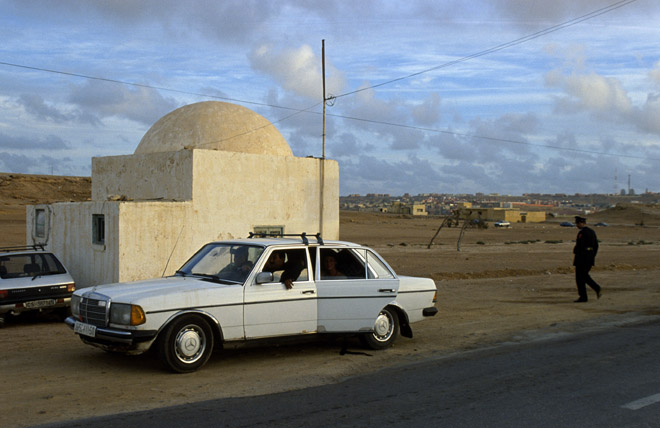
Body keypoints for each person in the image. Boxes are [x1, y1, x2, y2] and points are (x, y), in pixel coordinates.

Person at [573, 216, 602, 302]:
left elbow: (580, 246)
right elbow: (596, 246)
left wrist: (576, 251)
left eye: (577, 223)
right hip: (588, 257)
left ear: (581, 223)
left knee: (581, 276)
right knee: (582, 276)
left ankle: (595, 288)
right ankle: (584, 296)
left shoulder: (583, 233)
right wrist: (592, 256)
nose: (576, 225)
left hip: (582, 258)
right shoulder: (591, 232)